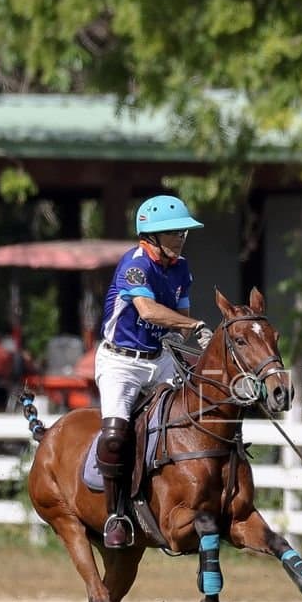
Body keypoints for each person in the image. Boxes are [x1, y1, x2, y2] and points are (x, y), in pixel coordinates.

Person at [95, 194, 213, 548]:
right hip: (121, 363)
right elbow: (147, 311)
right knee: (116, 435)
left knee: (199, 411)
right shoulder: (135, 265)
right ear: (152, 237)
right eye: (174, 232)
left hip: (158, 358)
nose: (181, 238)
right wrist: (194, 325)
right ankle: (116, 513)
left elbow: (178, 317)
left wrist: (203, 344)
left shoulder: (181, 268)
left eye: (183, 232)